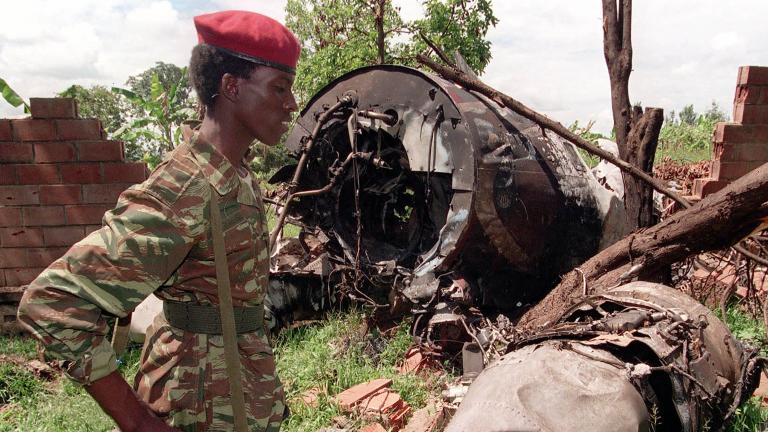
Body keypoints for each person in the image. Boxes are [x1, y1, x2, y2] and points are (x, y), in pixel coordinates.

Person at [17, 10, 300, 432]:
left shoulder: (236, 176)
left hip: (238, 399)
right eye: (279, 88)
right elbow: (51, 302)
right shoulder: (185, 188)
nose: (291, 104)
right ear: (231, 86)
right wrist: (135, 421)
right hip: (199, 409)